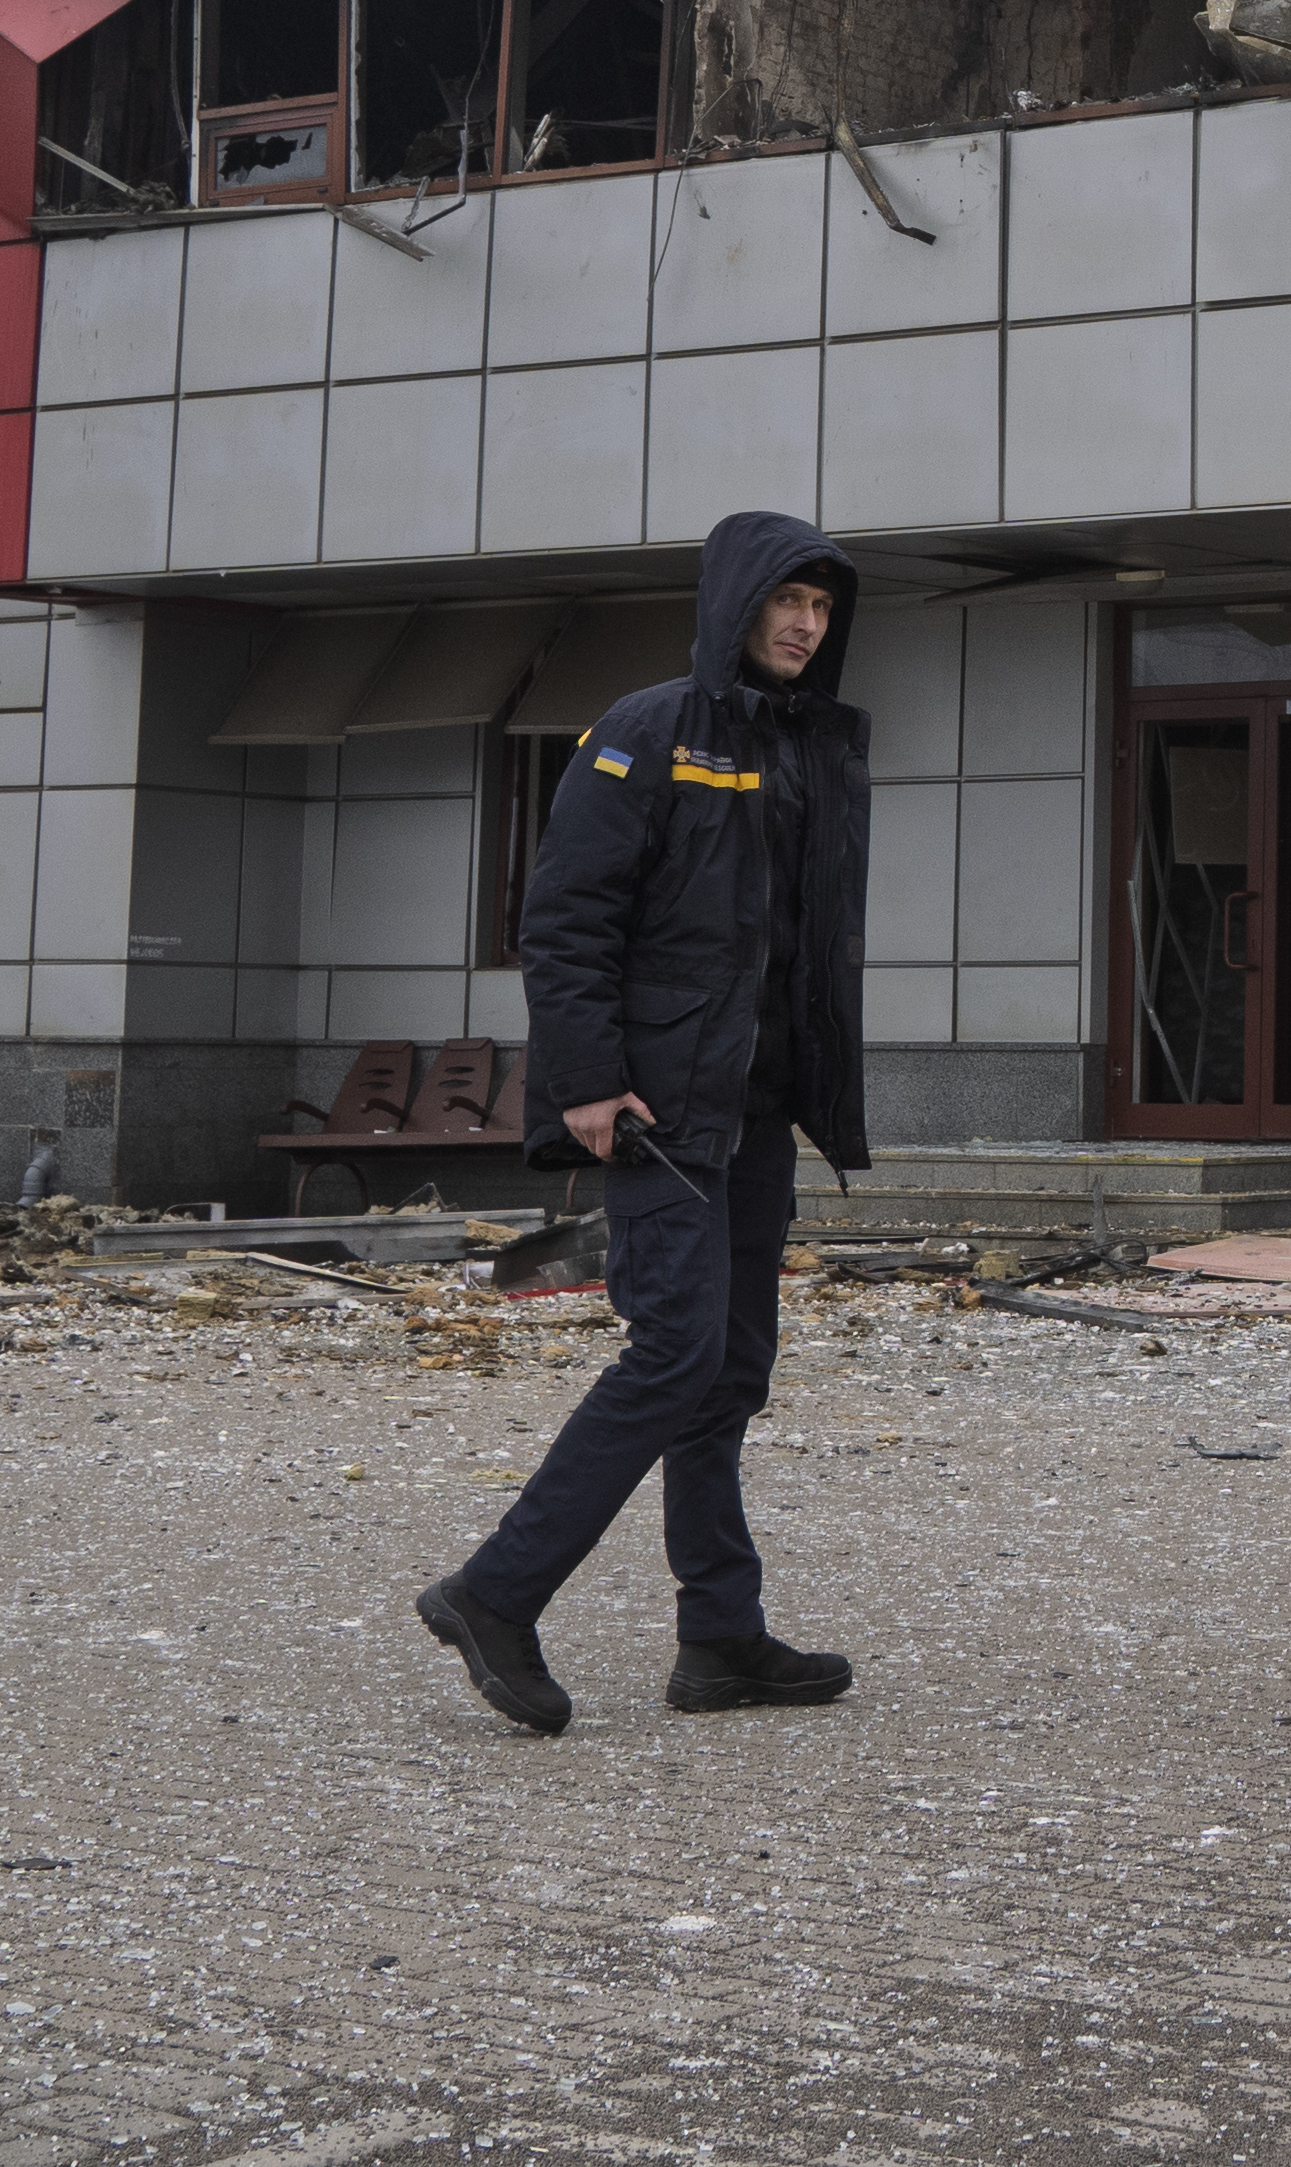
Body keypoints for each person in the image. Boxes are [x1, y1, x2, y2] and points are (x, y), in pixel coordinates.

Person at [418, 512, 868, 1737]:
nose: (804, 624)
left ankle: (720, 1638)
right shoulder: (646, 730)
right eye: (787, 601)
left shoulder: (809, 747)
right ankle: (495, 1592)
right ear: (737, 602)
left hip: (756, 1114)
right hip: (661, 1109)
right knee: (673, 1350)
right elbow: (566, 920)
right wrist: (586, 1083)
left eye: (823, 609)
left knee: (727, 1373)